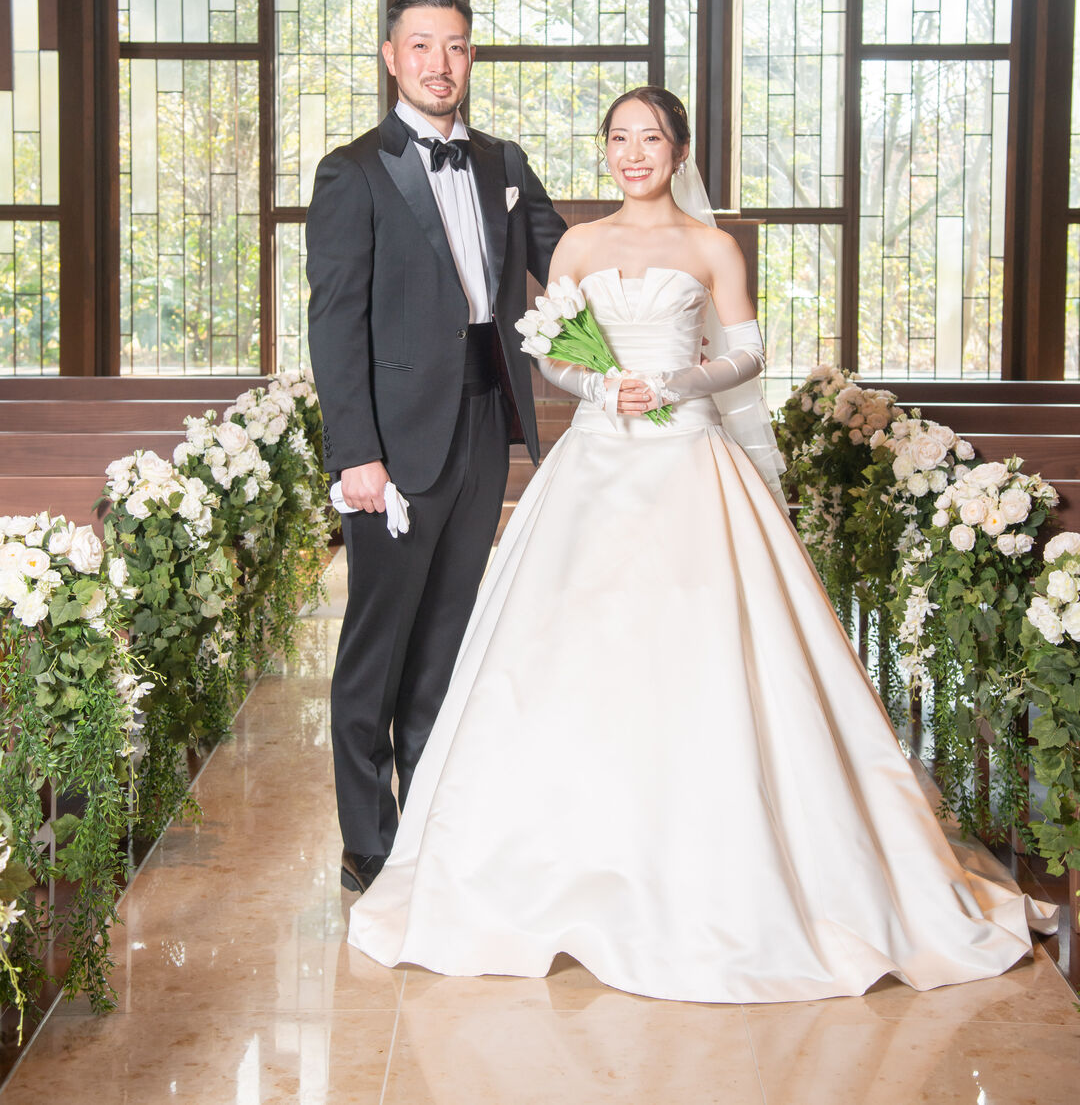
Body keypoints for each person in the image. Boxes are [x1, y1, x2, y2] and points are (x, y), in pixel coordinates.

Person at [345, 85, 1057, 1003]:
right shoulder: (577, 245)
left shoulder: (712, 247)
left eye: (650, 138)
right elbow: (549, 350)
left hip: (688, 458)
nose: (632, 153)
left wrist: (681, 381)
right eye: (618, 138)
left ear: (679, 152)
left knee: (704, 654)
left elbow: (750, 354)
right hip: (595, 464)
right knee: (565, 654)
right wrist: (599, 387)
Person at [305, 0, 566, 895]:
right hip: (392, 447)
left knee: (447, 642)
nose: (438, 64)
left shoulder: (503, 161)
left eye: (454, 46)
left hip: (484, 425)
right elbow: (335, 323)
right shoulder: (352, 171)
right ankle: (367, 841)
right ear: (391, 57)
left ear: (471, 57)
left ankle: (423, 828)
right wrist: (355, 454)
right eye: (420, 45)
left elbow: (567, 271)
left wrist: (658, 299)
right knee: (376, 647)